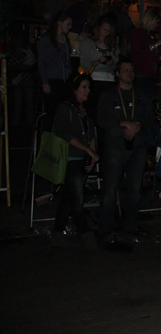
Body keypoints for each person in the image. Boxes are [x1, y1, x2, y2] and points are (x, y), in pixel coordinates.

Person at [95, 58, 153, 246]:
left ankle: (130, 225)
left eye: (132, 70)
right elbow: (101, 119)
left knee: (134, 190)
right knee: (110, 190)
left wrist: (136, 125)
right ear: (117, 74)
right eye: (126, 70)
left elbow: (150, 117)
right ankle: (105, 229)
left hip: (137, 147)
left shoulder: (140, 94)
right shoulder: (109, 95)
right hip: (116, 147)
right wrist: (123, 123)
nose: (130, 73)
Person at [50, 74, 100, 251]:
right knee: (77, 201)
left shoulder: (85, 110)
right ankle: (87, 235)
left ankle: (57, 234)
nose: (88, 91)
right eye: (84, 87)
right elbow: (64, 133)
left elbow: (91, 134)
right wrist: (88, 150)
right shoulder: (65, 108)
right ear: (75, 89)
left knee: (69, 198)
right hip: (71, 158)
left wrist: (92, 155)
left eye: (89, 87)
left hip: (82, 159)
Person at [79, 15, 119, 115]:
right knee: (93, 111)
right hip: (94, 80)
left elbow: (117, 64)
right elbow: (84, 65)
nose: (105, 33)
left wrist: (111, 63)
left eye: (108, 31)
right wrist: (97, 61)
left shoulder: (113, 44)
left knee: (107, 112)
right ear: (98, 28)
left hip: (109, 81)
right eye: (104, 30)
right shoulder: (88, 43)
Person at [38, 11, 73, 115]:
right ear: (59, 23)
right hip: (52, 80)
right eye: (68, 24)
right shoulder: (46, 39)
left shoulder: (65, 40)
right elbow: (41, 61)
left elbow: (67, 61)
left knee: (63, 112)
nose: (70, 27)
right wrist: (45, 82)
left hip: (64, 81)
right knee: (51, 112)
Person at [129, 7, 161, 103]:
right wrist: (156, 45)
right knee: (142, 102)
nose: (157, 26)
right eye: (156, 23)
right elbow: (141, 51)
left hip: (150, 74)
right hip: (141, 74)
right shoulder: (138, 34)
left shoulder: (150, 35)